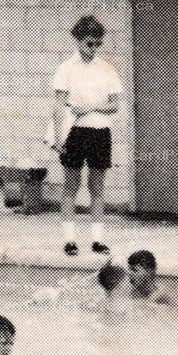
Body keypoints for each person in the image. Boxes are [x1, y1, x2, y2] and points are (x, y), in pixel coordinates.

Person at [50, 15, 122, 257]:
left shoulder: (107, 69)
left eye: (97, 44)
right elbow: (58, 106)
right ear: (78, 41)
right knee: (71, 185)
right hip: (75, 133)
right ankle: (70, 240)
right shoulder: (65, 68)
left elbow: (114, 106)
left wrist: (91, 107)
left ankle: (97, 241)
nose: (93, 49)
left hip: (100, 132)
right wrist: (59, 138)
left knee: (97, 186)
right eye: (89, 43)